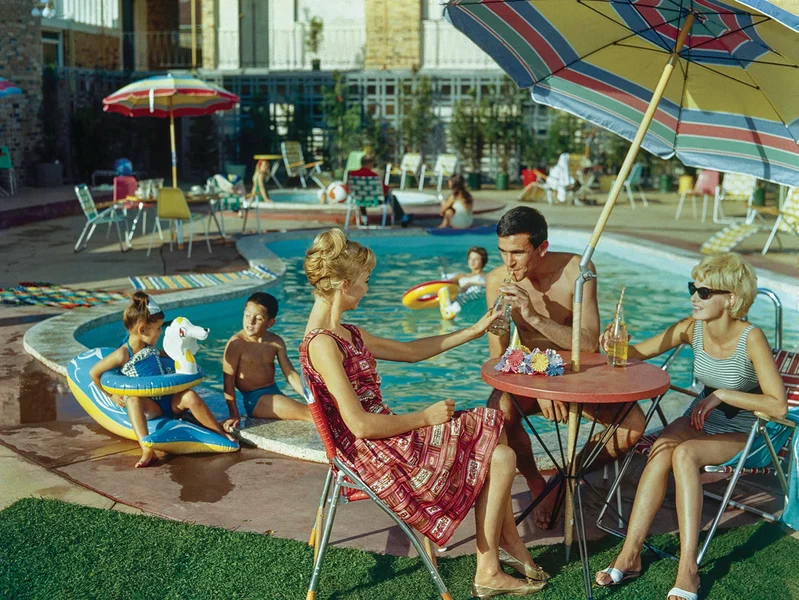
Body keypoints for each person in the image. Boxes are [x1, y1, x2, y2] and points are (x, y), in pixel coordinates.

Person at [300, 229, 549, 598]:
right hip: (372, 453)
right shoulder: (322, 343)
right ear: (342, 284)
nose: (367, 289)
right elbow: (361, 426)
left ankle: (491, 567)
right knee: (492, 424)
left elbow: (412, 350)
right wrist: (425, 417)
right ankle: (501, 553)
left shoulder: (346, 333)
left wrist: (475, 330)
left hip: (386, 438)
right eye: (365, 281)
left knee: (501, 454)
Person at [595, 253, 787, 600]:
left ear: (730, 298)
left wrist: (725, 394)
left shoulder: (751, 337)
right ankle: (631, 553)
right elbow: (635, 353)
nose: (693, 298)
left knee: (683, 454)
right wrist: (614, 345)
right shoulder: (690, 328)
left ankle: (689, 570)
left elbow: (777, 404)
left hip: (747, 431)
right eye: (692, 288)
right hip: (703, 418)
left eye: (703, 291)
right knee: (662, 449)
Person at [486, 206, 645, 529]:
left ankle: (565, 477)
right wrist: (500, 325)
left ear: (541, 247)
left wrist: (532, 317)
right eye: (503, 252)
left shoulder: (577, 271)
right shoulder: (497, 280)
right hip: (531, 377)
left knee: (633, 425)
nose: (508, 262)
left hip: (578, 376)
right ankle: (535, 482)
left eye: (517, 252)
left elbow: (587, 343)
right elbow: (498, 362)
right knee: (497, 416)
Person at [89, 292, 236, 468]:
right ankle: (146, 449)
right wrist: (111, 395)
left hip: (169, 400)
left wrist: (184, 353)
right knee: (133, 399)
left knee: (189, 395)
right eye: (158, 328)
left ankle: (217, 433)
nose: (161, 332)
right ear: (143, 330)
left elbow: (172, 356)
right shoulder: (123, 354)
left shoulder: (150, 348)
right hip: (153, 406)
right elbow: (94, 373)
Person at [222, 292, 311, 431]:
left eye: (258, 318)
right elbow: (228, 381)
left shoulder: (275, 342)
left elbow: (290, 374)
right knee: (311, 414)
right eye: (247, 315)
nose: (250, 322)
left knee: (317, 410)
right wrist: (234, 414)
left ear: (270, 322)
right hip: (256, 399)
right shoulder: (236, 344)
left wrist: (311, 397)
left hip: (274, 393)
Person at [348, 154, 413, 227]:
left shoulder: (353, 174)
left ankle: (364, 219)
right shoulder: (374, 176)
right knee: (392, 197)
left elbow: (350, 188)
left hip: (358, 200)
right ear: (370, 163)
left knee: (362, 196)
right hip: (375, 200)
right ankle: (403, 217)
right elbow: (385, 190)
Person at [439, 246, 489, 320]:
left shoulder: (486, 277)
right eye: (470, 258)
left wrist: (470, 284)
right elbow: (447, 284)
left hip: (471, 303)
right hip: (459, 301)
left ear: (482, 261)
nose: (472, 262)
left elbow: (489, 286)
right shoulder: (461, 276)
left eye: (476, 259)